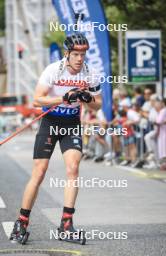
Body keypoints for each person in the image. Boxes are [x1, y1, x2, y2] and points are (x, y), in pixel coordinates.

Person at [10, 33, 102, 244]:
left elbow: (98, 104)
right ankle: (21, 222)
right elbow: (36, 100)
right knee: (39, 171)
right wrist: (62, 97)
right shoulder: (53, 70)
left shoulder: (91, 73)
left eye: (83, 54)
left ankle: (66, 224)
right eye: (76, 54)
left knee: (73, 169)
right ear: (67, 53)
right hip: (50, 121)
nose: (80, 58)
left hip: (71, 123)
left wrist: (88, 99)